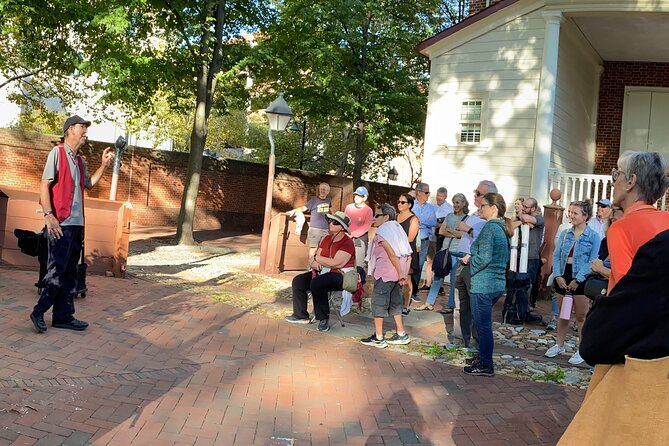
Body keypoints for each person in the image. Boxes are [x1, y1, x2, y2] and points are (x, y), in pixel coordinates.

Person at [30, 115, 114, 333]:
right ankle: (38, 312)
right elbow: (44, 185)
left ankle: (63, 317)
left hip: (77, 225)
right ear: (70, 130)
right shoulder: (56, 153)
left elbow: (89, 184)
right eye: (82, 127)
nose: (85, 131)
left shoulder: (80, 160)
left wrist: (104, 165)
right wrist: (49, 215)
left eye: (85, 127)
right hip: (60, 223)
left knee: (70, 272)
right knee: (56, 271)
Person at [545, 200, 600, 365]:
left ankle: (581, 349)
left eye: (575, 213)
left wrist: (579, 279)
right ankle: (559, 344)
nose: (571, 215)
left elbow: (593, 259)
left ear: (585, 216)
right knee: (564, 313)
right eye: (570, 212)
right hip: (564, 276)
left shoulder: (593, 236)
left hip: (581, 278)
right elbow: (555, 255)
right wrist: (558, 275)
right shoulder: (565, 233)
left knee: (581, 316)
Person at [462, 192, 511, 377]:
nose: (479, 208)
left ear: (493, 208)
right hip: (496, 283)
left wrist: (469, 261)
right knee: (482, 324)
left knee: (483, 326)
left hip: (484, 284)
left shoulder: (491, 227)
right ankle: (483, 357)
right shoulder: (500, 228)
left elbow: (484, 257)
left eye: (482, 205)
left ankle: (486, 364)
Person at [607, 151, 669, 292]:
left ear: (631, 181)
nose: (613, 183)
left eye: (617, 175)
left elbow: (625, 289)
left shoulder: (620, 228)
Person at [285, 211, 355, 332]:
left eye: (335, 222)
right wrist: (314, 261)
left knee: (318, 283)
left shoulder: (347, 242)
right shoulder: (326, 238)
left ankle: (323, 318)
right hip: (323, 271)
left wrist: (317, 259)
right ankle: (301, 315)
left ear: (342, 228)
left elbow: (337, 263)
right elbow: (314, 258)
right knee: (299, 281)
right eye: (330, 221)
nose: (331, 223)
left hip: (340, 275)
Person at [448, 180, 497, 350]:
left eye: (479, 194)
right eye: (475, 192)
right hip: (461, 261)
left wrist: (468, 229)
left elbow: (486, 242)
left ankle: (475, 343)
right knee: (460, 304)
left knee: (475, 305)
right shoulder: (474, 215)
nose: (475, 196)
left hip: (474, 265)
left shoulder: (493, 221)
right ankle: (462, 339)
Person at [360, 204, 413, 348]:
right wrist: (403, 274)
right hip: (397, 275)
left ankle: (378, 337)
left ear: (386, 217)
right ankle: (401, 333)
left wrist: (402, 274)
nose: (374, 218)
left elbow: (392, 254)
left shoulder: (383, 231)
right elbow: (408, 255)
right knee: (396, 303)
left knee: (378, 304)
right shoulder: (398, 229)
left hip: (385, 274)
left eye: (377, 215)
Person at [415, 192, 468, 312]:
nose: (455, 205)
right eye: (454, 203)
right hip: (445, 250)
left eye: (458, 203)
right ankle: (429, 303)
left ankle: (451, 305)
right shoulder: (449, 216)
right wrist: (453, 231)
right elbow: (441, 231)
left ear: (463, 203)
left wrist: (450, 231)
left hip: (457, 252)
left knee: (454, 280)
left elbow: (462, 235)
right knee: (438, 277)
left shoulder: (467, 218)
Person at [504, 197, 544, 324]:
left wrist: (523, 219)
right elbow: (509, 227)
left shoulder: (540, 219)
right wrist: (522, 221)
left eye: (526, 207)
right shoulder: (519, 217)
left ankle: (524, 312)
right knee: (515, 285)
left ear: (533, 208)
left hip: (531, 258)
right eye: (523, 206)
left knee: (527, 286)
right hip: (518, 256)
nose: (523, 208)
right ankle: (513, 313)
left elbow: (527, 219)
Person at [288, 182, 332, 263]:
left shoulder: (329, 200)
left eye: (325, 189)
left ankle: (319, 266)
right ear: (319, 190)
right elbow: (303, 208)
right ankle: (311, 267)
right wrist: (294, 210)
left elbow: (328, 211)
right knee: (313, 248)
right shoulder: (313, 200)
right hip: (315, 229)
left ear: (328, 191)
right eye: (321, 189)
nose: (323, 191)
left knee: (323, 249)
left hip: (325, 229)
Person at [421, 186, 453, 292]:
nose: (439, 198)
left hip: (441, 238)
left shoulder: (449, 209)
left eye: (441, 196)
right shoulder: (432, 207)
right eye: (438, 195)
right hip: (431, 236)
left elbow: (448, 223)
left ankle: (438, 285)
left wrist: (440, 224)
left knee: (440, 262)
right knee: (430, 260)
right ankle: (428, 283)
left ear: (445, 197)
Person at [410, 183, 436, 303]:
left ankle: (414, 291)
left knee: (419, 266)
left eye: (429, 192)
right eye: (426, 192)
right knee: (409, 265)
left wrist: (419, 220)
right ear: (419, 192)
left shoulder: (430, 207)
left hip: (424, 240)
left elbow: (433, 222)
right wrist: (423, 220)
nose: (428, 195)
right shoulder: (411, 204)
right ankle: (406, 289)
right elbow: (410, 220)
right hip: (411, 239)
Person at [396, 193, 419, 315]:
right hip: (395, 252)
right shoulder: (395, 216)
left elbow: (410, 238)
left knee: (406, 278)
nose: (399, 204)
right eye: (398, 201)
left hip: (407, 252)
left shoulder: (413, 219)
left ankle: (406, 305)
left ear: (409, 205)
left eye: (402, 202)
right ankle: (395, 303)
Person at [345, 186, 373, 269]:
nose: (356, 198)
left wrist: (352, 234)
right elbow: (344, 220)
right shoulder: (348, 207)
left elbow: (366, 226)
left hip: (360, 239)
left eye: (360, 196)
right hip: (347, 237)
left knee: (359, 264)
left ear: (365, 198)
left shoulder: (368, 210)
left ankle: (360, 280)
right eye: (356, 195)